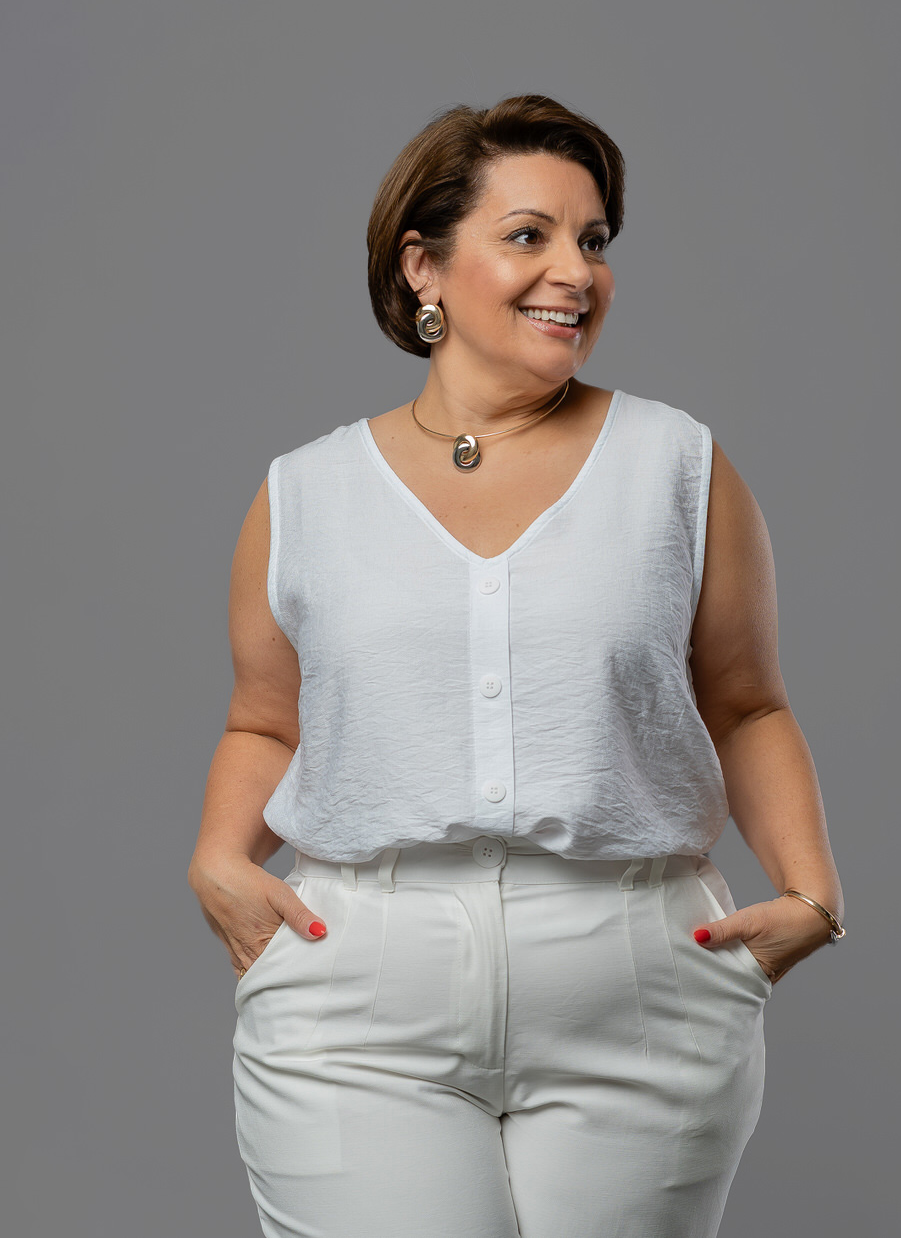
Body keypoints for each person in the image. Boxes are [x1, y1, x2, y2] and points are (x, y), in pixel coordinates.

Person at [187, 93, 845, 1238]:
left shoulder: (678, 467)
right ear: (423, 267)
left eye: (593, 240)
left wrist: (811, 892)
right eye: (529, 234)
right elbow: (265, 720)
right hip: (357, 1002)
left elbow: (745, 703)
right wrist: (217, 854)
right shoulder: (305, 493)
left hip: (638, 992)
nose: (575, 273)